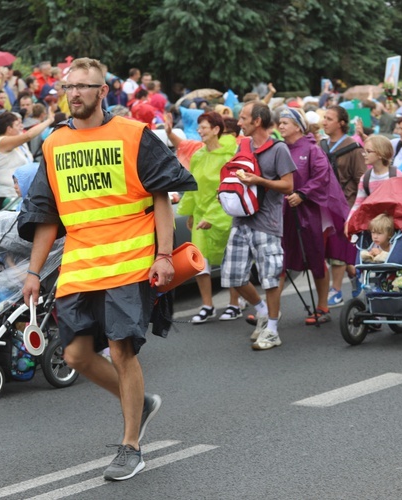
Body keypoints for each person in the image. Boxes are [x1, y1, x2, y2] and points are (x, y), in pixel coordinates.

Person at [18, 57, 196, 481]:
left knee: (121, 350)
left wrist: (165, 255)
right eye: (70, 86)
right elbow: (46, 214)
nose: (74, 93)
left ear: (102, 92)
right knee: (77, 355)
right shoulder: (53, 143)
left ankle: (131, 444)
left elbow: (161, 196)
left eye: (84, 86)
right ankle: (140, 402)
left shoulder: (133, 134)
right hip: (80, 264)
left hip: (131, 261)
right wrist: (32, 271)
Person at [221, 101, 295, 350]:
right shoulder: (243, 145)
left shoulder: (278, 149)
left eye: (243, 118)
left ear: (258, 121)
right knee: (233, 275)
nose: (238, 123)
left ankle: (273, 330)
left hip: (267, 222)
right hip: (241, 219)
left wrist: (259, 180)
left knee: (270, 278)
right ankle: (262, 311)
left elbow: (288, 186)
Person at [277, 107, 344, 325]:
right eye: (279, 122)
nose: (280, 126)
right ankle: (271, 310)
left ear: (298, 126)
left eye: (285, 122)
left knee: (315, 258)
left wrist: (303, 194)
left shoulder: (312, 149)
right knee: (278, 260)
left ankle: (322, 306)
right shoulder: (279, 149)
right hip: (283, 212)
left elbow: (322, 176)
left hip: (309, 212)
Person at [176, 112, 243, 323]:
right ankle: (207, 305)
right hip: (201, 214)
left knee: (229, 260)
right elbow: (193, 186)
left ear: (216, 129)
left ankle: (234, 303)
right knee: (200, 262)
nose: (199, 131)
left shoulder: (229, 155)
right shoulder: (198, 155)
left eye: (204, 127)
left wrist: (213, 216)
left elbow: (228, 188)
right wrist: (189, 212)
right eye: (199, 127)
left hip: (225, 214)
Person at [319, 105, 366, 308]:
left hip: (345, 206)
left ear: (342, 123)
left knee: (339, 248)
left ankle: (336, 291)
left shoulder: (353, 148)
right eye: (325, 118)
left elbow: (361, 180)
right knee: (331, 250)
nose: (324, 122)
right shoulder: (320, 146)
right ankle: (354, 275)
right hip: (323, 206)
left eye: (329, 118)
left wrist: (357, 207)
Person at [0, 110, 54, 209]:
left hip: (24, 194)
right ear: (9, 129)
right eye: (17, 125)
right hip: (9, 195)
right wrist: (50, 120)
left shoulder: (20, 143)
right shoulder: (0, 142)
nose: (21, 127)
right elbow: (29, 135)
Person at [347, 135, 402, 219]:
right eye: (364, 151)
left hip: (394, 225)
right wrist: (349, 222)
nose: (364, 154)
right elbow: (358, 204)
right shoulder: (365, 178)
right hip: (374, 227)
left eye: (368, 151)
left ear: (381, 154)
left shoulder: (397, 176)